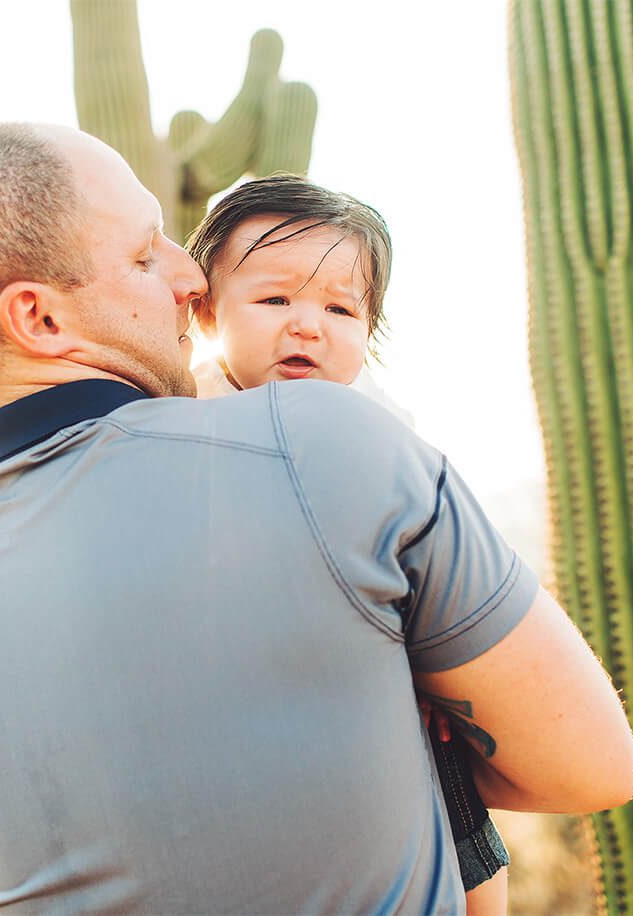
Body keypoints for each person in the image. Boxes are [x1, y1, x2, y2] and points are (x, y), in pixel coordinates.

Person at [0, 122, 633, 913]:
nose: (189, 274)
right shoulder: (316, 442)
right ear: (40, 318)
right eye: (143, 253)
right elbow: (592, 768)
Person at [188, 173, 509, 913]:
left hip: (393, 692)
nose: (309, 326)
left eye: (340, 308)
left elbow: (437, 567)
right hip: (257, 704)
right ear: (206, 311)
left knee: (473, 870)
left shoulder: (381, 425)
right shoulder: (189, 412)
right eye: (274, 300)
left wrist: (436, 676)